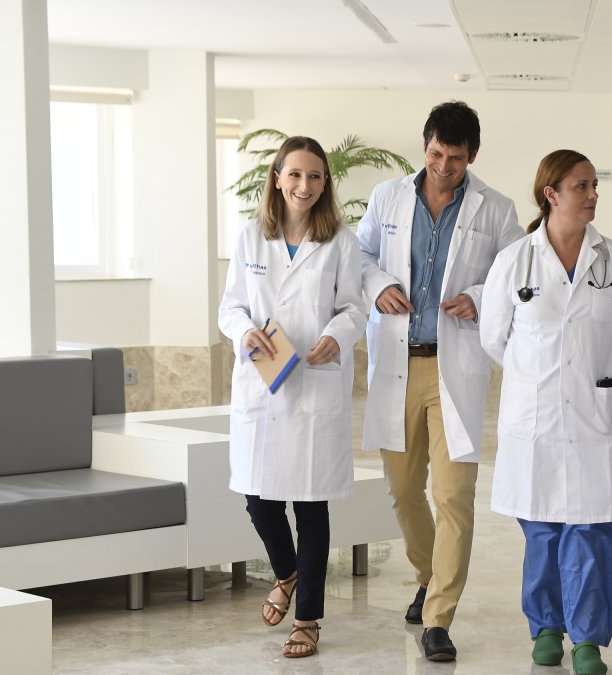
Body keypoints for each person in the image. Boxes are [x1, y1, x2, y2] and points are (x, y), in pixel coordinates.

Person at [355, 101, 521, 662]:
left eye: (454, 158)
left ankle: (439, 618)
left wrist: (476, 298)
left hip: (456, 364)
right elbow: (358, 255)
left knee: (453, 495)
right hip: (398, 362)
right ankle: (427, 574)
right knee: (403, 490)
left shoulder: (496, 209)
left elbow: (513, 273)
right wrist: (377, 283)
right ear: (423, 146)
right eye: (434, 154)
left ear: (472, 155)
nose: (443, 167)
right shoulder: (388, 198)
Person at [480, 149, 612, 675]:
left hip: (597, 416)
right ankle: (548, 627)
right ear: (551, 193)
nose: (594, 194)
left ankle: (589, 641)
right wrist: (540, 377)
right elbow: (494, 338)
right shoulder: (515, 260)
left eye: (595, 184)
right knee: (544, 530)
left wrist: (582, 372)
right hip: (537, 417)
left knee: (594, 530)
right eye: (582, 186)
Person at [218, 136, 366, 659]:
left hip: (313, 381)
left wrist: (339, 334)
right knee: (258, 499)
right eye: (296, 175)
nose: (305, 186)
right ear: (278, 177)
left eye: (316, 177)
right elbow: (230, 306)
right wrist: (243, 333)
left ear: (325, 185)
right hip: (263, 383)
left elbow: (353, 307)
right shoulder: (250, 237)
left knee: (311, 504)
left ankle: (307, 619)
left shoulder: (340, 242)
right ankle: (287, 573)